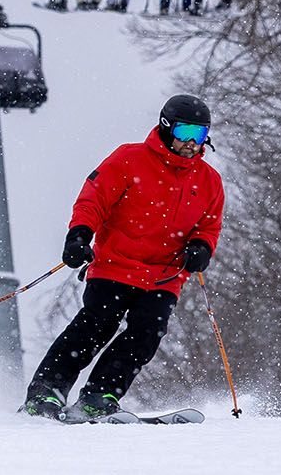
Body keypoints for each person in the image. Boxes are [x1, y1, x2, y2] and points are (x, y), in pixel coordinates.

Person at [22, 94, 225, 419]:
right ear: (166, 127)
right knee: (95, 326)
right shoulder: (129, 159)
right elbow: (93, 200)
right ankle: (46, 391)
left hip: (165, 275)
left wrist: (201, 247)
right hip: (115, 266)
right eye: (185, 132)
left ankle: (99, 395)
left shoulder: (209, 181)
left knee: (147, 333)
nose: (191, 143)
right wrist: (79, 235)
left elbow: (209, 226)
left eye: (199, 135)